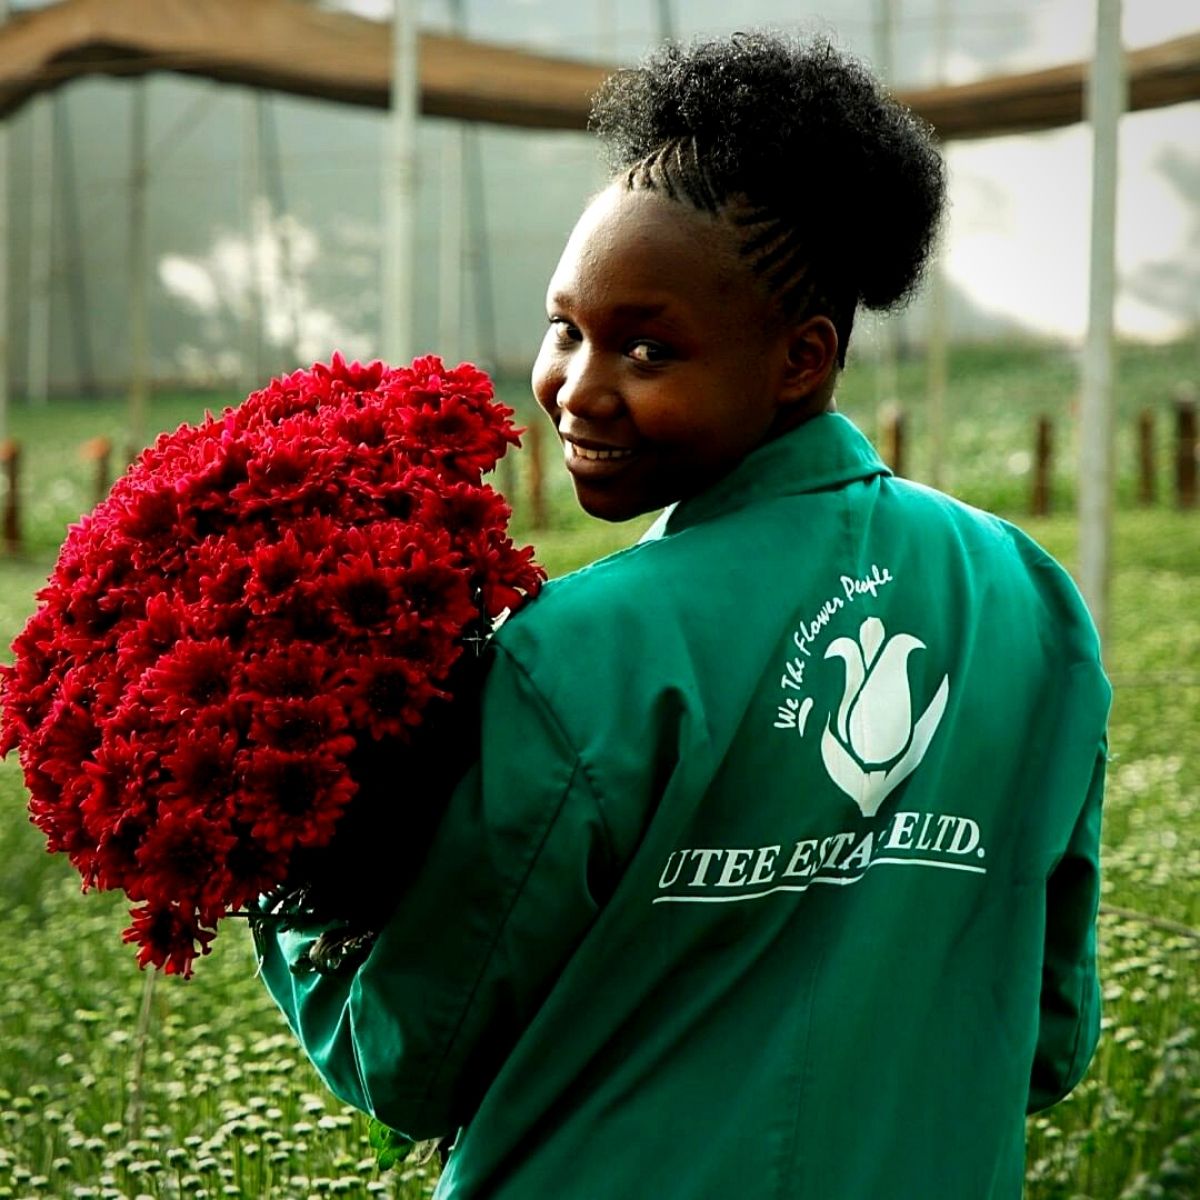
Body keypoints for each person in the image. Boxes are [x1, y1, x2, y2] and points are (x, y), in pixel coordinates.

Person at [256, 32, 1110, 1199]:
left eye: (648, 347)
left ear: (801, 358)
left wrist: (279, 865)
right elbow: (1047, 1036)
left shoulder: (578, 656)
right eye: (568, 327)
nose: (578, 386)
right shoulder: (1032, 602)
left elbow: (413, 1059)